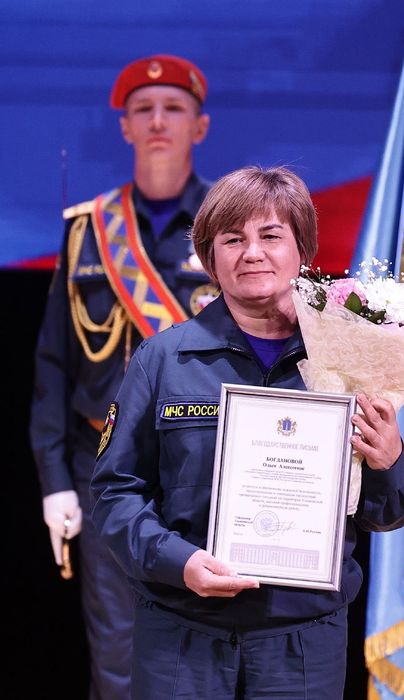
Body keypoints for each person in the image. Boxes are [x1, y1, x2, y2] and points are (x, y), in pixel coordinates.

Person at [89, 166, 404, 698]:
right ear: (209, 256)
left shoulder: (348, 360)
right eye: (232, 239)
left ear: (302, 250)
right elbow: (114, 494)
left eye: (270, 236)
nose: (252, 253)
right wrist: (180, 562)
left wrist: (389, 461)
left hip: (303, 641)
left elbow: (388, 513)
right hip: (181, 633)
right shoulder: (163, 360)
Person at [30, 53, 214, 698]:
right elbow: (54, 363)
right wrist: (55, 480)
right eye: (144, 109)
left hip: (204, 460)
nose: (158, 120)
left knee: (206, 646)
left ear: (200, 126)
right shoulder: (87, 230)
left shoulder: (229, 225)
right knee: (116, 652)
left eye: (174, 108)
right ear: (125, 127)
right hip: (104, 463)